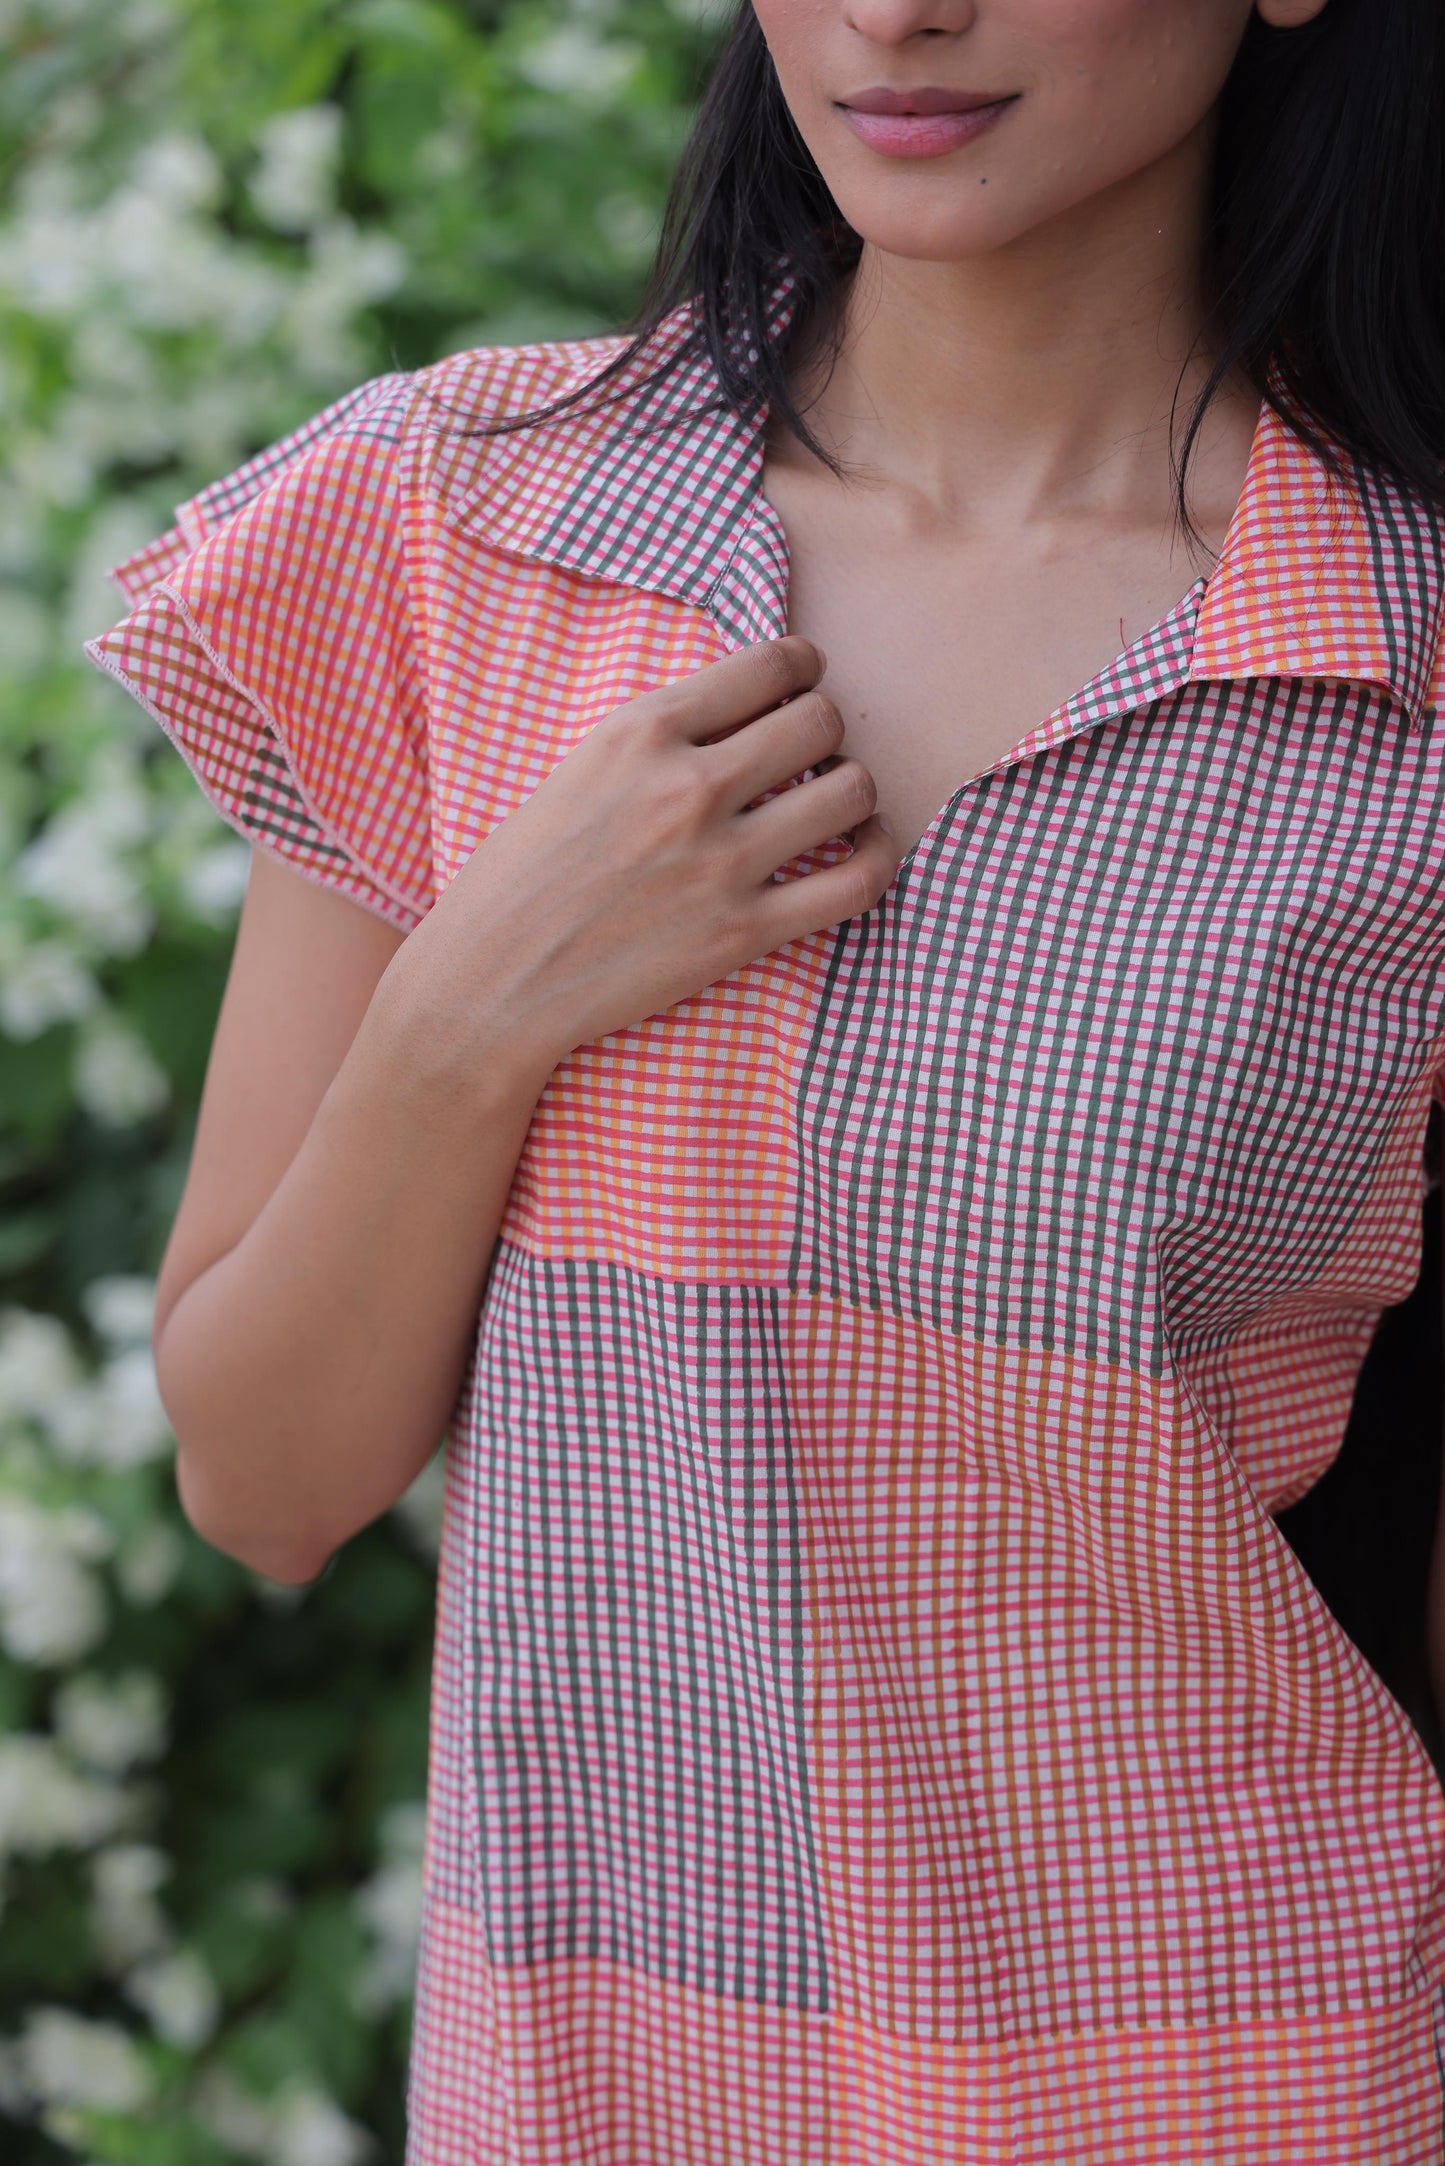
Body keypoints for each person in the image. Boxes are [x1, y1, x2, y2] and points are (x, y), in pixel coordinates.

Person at [82, 0, 1445, 2156]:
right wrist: (477, 1002)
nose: (898, 11)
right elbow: (268, 1477)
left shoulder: (1405, 673)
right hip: (603, 2083)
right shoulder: (466, 528)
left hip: (1235, 2068)